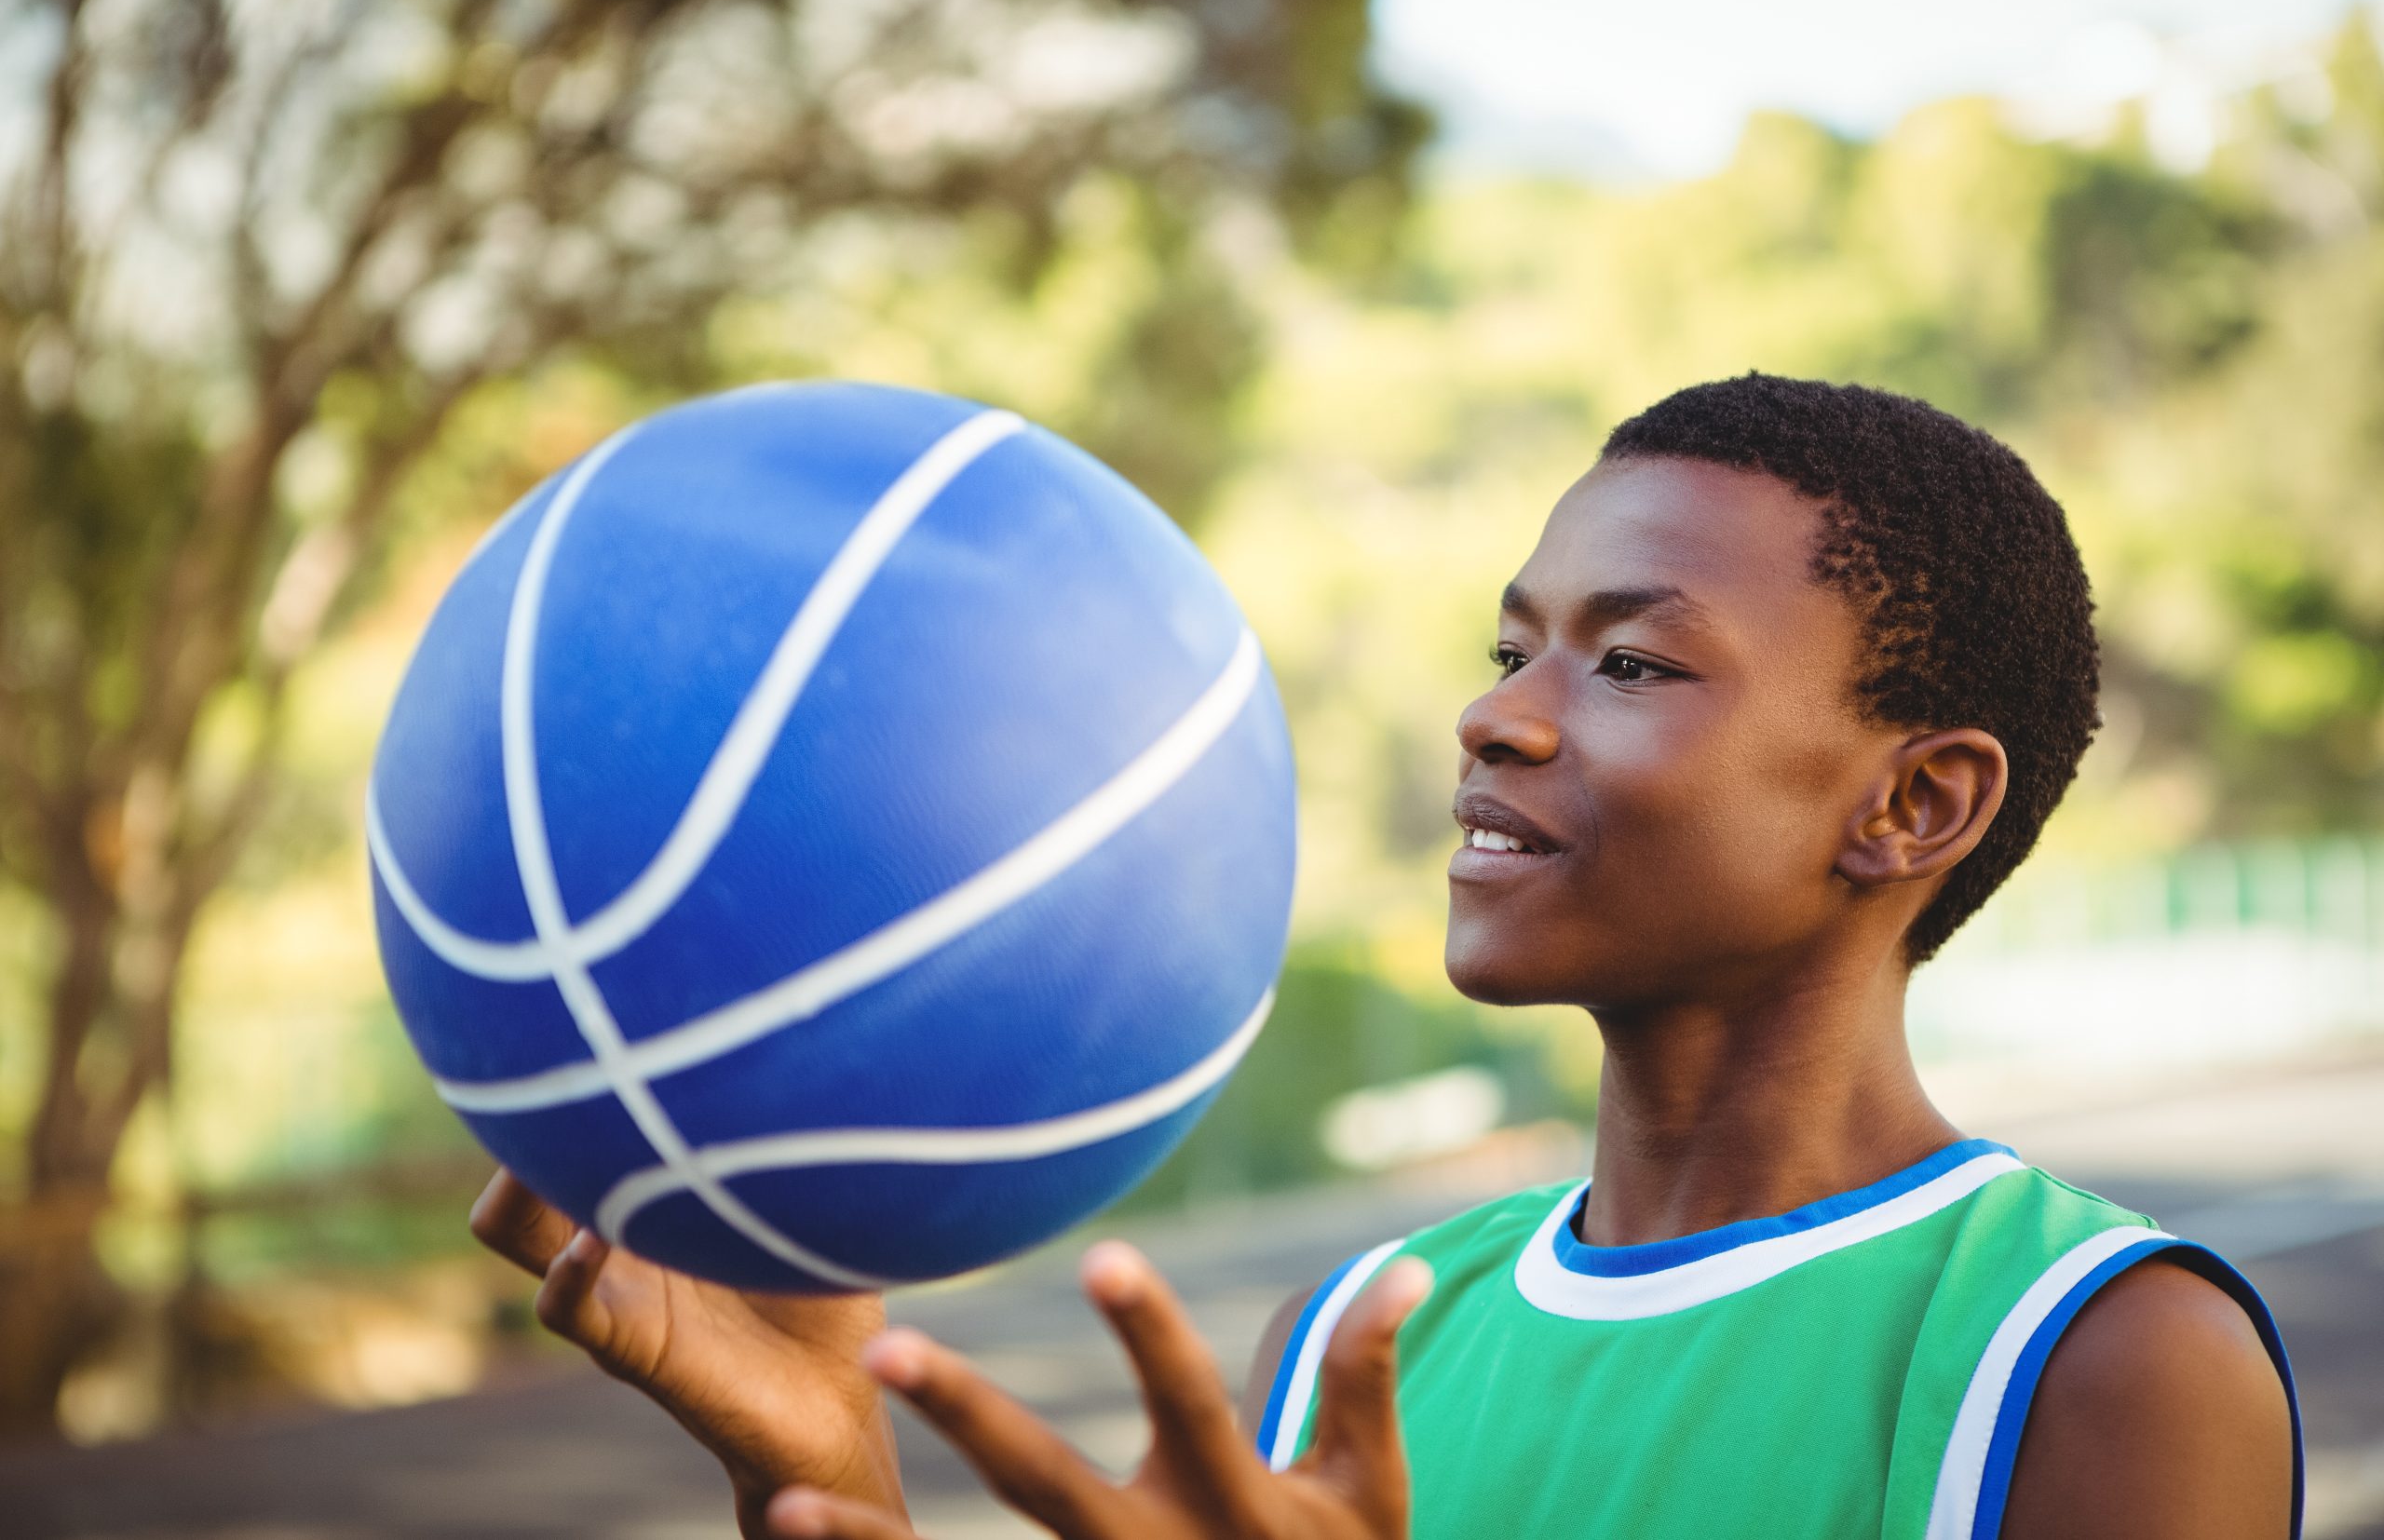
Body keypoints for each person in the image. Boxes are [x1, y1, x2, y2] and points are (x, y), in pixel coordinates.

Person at [468, 373, 2301, 1540]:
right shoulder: (1348, 1344)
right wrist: (814, 1473)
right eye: (1509, 646)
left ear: (1909, 804)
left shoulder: (2094, 1358)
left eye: (1632, 661)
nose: (1495, 716)